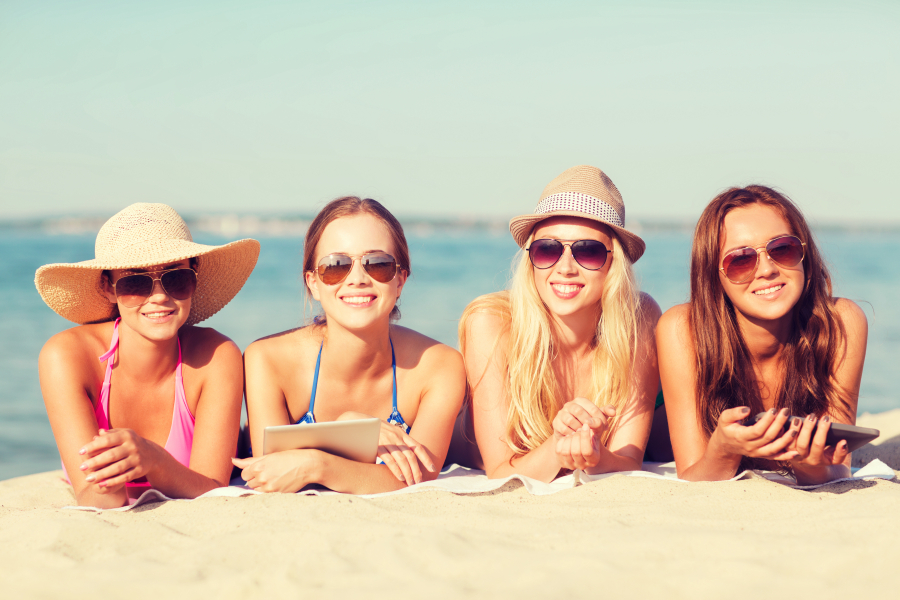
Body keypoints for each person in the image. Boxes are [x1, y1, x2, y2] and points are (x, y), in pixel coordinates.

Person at [234, 196, 466, 494]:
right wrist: (353, 430)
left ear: (401, 280)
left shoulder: (439, 367)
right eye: (335, 265)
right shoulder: (266, 360)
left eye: (378, 264)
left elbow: (418, 477)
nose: (357, 278)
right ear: (313, 283)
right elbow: (273, 472)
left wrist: (317, 463)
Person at [36, 203, 260, 508]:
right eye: (135, 281)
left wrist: (152, 460)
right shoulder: (67, 357)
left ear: (194, 277)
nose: (158, 296)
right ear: (108, 287)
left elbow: (213, 490)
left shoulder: (217, 356)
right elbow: (96, 497)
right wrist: (129, 467)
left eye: (176, 278)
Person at [449, 165, 662, 482]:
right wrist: (559, 449)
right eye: (547, 249)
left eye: (587, 252)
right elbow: (499, 471)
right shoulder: (491, 322)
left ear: (614, 262)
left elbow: (629, 460)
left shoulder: (639, 316)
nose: (565, 268)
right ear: (530, 257)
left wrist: (596, 456)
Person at [657, 185, 868, 484]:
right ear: (713, 276)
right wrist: (723, 450)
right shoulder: (682, 329)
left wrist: (805, 463)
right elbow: (692, 476)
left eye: (782, 248)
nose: (767, 269)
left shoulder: (841, 323)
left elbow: (836, 470)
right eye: (740, 260)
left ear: (804, 255)